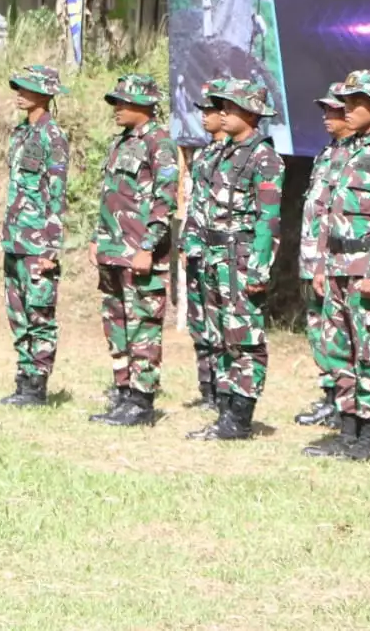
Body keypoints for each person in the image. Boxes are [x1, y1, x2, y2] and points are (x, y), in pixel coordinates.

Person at [304, 70, 370, 462]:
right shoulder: (344, 151)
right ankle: (347, 432)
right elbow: (326, 213)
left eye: (356, 102)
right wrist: (319, 265)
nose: (347, 109)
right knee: (340, 352)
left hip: (365, 270)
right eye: (345, 101)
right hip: (334, 265)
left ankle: (369, 439)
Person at [187, 78, 282, 441]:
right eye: (221, 107)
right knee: (221, 338)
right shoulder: (223, 153)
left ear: (252, 113)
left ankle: (240, 417)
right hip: (213, 256)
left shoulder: (264, 158)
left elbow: (267, 220)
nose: (222, 114)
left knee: (245, 338)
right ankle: (225, 413)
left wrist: (259, 268)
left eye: (231, 108)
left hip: (240, 258)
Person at [88, 73, 179, 427]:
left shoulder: (160, 144)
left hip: (140, 254)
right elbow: (109, 196)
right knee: (117, 325)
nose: (118, 109)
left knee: (143, 327)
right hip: (112, 250)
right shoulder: (120, 143)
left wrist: (148, 247)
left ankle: (142, 403)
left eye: (124, 102)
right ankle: (123, 393)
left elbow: (165, 200)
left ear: (145, 105)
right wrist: (97, 237)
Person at [0, 65, 70, 407]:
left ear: (45, 94)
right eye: (18, 86)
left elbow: (56, 194)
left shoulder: (52, 136)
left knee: (40, 314)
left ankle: (37, 386)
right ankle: (23, 379)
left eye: (27, 88)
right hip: (15, 239)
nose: (19, 92)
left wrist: (51, 247)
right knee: (18, 314)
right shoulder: (20, 133)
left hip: (38, 243)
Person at [295, 82, 351, 428]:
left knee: (339, 331)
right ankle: (330, 395)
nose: (327, 117)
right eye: (325, 110)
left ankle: (344, 401)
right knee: (318, 329)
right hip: (311, 258)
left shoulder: (356, 157)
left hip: (335, 260)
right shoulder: (328, 153)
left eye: (335, 110)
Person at [181, 78, 230, 410]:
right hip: (197, 248)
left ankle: (226, 391)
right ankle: (207, 389)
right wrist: (187, 243)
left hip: (223, 254)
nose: (204, 116)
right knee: (200, 323)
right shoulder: (204, 155)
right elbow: (195, 204)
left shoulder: (236, 155)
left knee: (223, 324)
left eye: (210, 111)